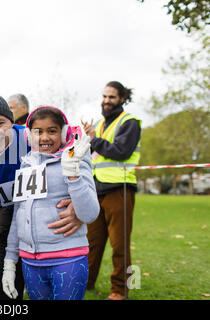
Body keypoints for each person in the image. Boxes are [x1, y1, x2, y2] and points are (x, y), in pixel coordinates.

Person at [0, 93, 82, 300]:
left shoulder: (33, 137)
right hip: (8, 217)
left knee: (54, 280)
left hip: (50, 218)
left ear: (12, 121)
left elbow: (75, 154)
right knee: (3, 281)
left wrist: (77, 201)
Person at [2, 106, 99, 300]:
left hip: (68, 258)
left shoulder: (76, 160)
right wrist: (10, 262)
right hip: (31, 262)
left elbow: (90, 214)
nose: (44, 137)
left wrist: (73, 174)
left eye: (52, 131)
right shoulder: (26, 163)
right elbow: (18, 215)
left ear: (63, 133)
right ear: (29, 135)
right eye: (38, 131)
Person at [82, 81, 141, 300]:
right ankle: (86, 282)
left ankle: (120, 290)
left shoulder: (130, 122)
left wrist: (93, 139)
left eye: (112, 97)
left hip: (120, 189)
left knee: (120, 245)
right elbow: (91, 152)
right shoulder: (97, 124)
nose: (107, 101)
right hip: (96, 190)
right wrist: (86, 140)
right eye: (105, 96)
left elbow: (121, 151)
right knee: (91, 243)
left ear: (122, 98)